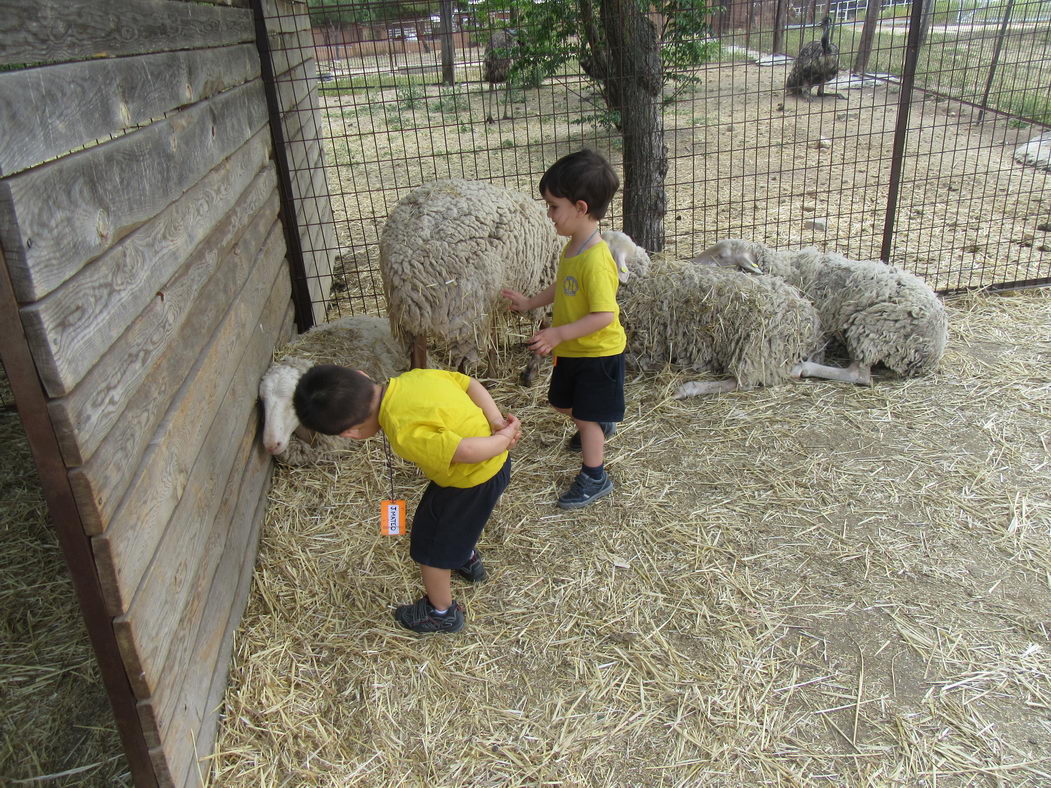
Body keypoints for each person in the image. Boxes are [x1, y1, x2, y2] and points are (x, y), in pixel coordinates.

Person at [293, 364, 521, 634]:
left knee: (430, 547)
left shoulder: (403, 430)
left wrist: (503, 438)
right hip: (488, 468)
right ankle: (464, 555)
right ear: (364, 375)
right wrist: (497, 422)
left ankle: (442, 613)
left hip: (471, 478)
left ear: (350, 433)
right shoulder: (415, 376)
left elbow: (467, 449)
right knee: (456, 520)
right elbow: (469, 384)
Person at [501, 148, 625, 509]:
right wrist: (530, 303)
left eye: (554, 206)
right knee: (560, 403)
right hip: (573, 349)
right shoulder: (572, 249)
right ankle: (598, 426)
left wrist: (557, 333)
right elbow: (563, 286)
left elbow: (604, 314)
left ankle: (595, 476)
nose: (549, 214)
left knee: (584, 416)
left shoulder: (597, 260)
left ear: (581, 208)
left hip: (597, 353)